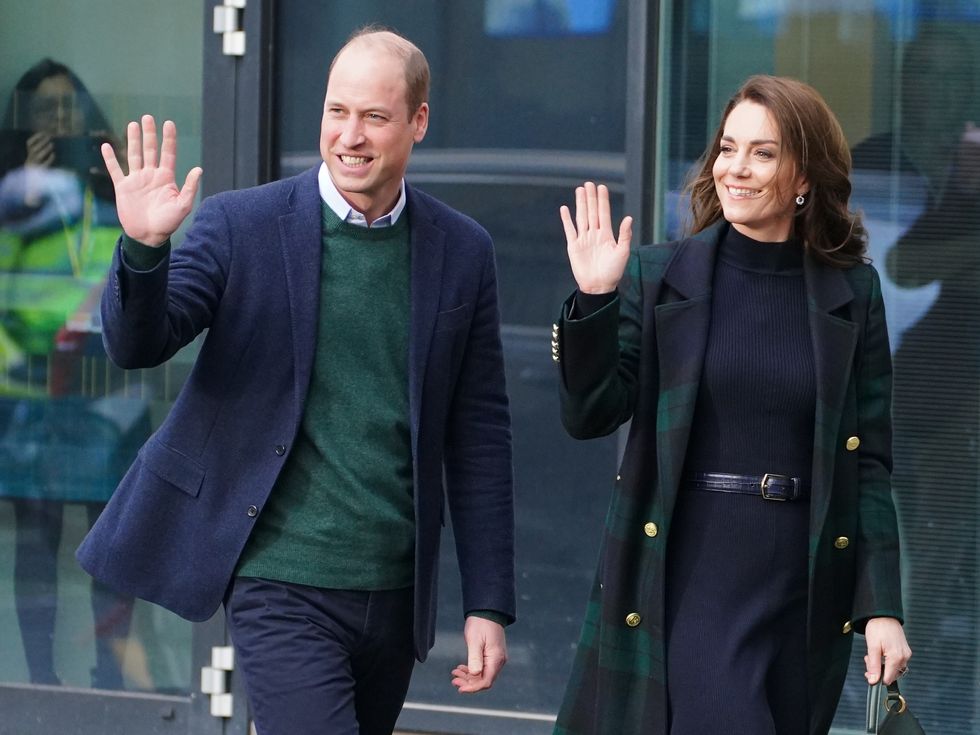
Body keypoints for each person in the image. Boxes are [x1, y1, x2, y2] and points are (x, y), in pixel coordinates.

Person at [75, 26, 515, 735]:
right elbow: (138, 343)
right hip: (280, 580)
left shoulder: (462, 249)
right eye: (337, 111)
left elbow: (480, 433)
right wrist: (145, 247)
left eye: (374, 116)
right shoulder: (241, 225)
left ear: (418, 122)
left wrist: (488, 600)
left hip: (394, 594)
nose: (350, 135)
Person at [551, 75, 910, 734]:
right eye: (727, 147)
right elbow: (591, 412)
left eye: (763, 153)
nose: (735, 168)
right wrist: (597, 301)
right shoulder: (661, 277)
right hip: (690, 571)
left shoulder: (851, 294)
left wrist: (881, 606)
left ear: (804, 175)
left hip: (801, 584)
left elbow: (870, 466)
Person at [852, 24, 979, 728]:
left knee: (946, 559)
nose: (945, 91)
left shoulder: (975, 172)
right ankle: (892, 710)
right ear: (905, 84)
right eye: (929, 74)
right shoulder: (869, 168)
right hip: (886, 403)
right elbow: (898, 272)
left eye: (959, 75)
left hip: (963, 401)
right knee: (895, 575)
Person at [0, 58, 141, 689]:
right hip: (35, 395)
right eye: (43, 110)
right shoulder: (14, 192)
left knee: (112, 545)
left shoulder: (110, 183)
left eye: (67, 107)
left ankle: (110, 676)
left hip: (107, 388)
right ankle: (39, 682)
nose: (58, 120)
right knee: (38, 548)